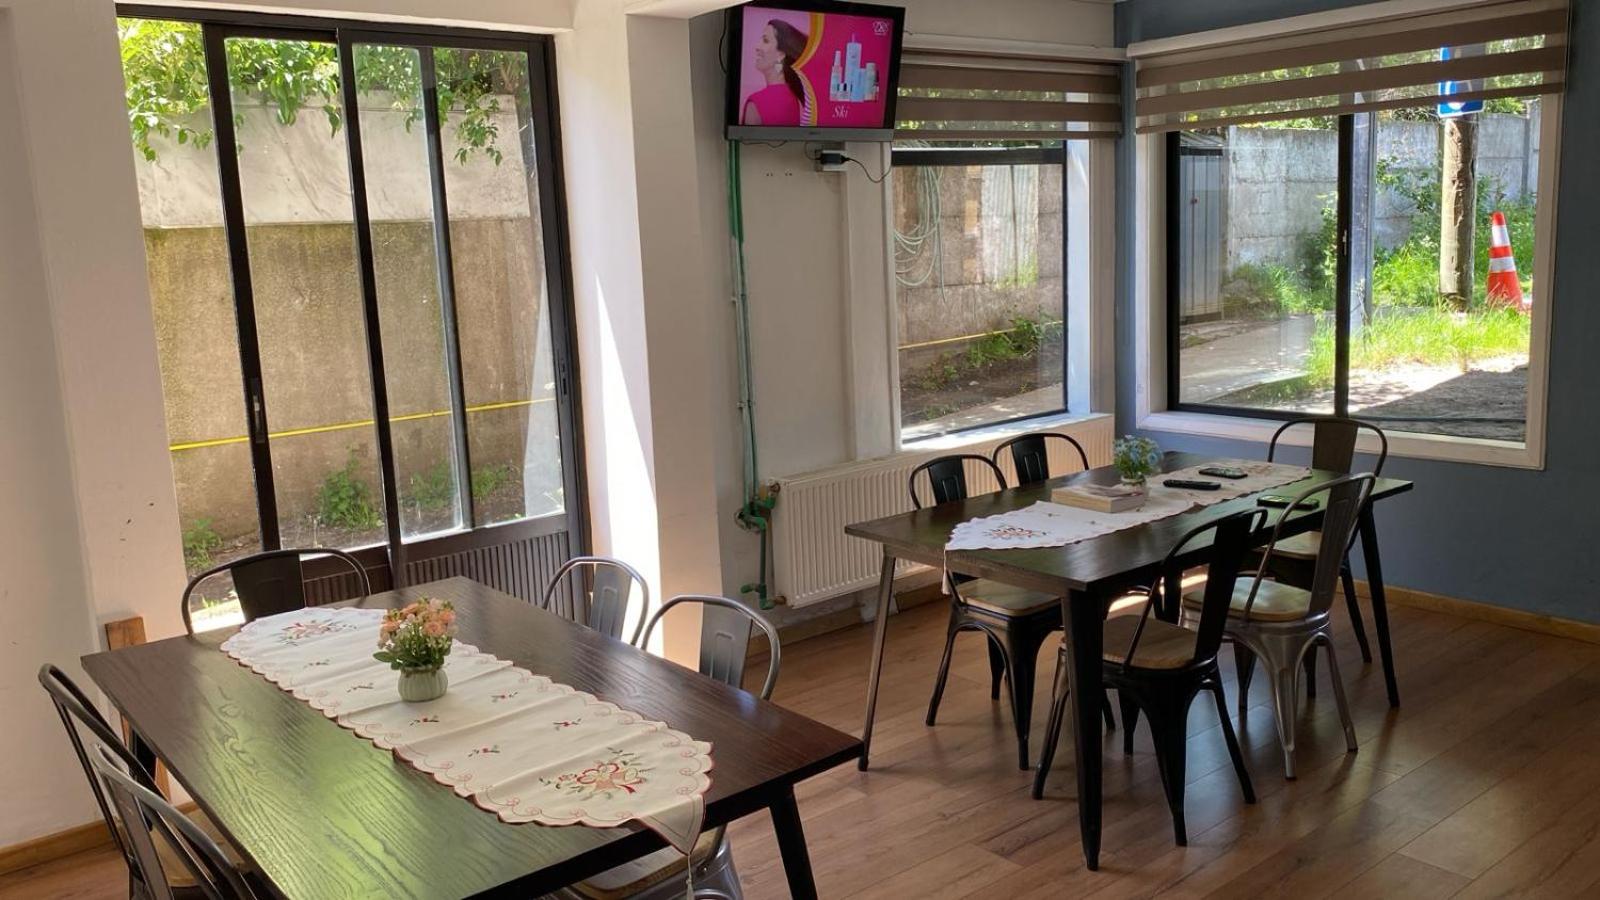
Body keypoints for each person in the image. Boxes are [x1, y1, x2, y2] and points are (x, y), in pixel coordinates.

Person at [741, 20, 807, 126]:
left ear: (781, 54)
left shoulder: (756, 103)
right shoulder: (795, 100)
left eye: (765, 40)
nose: (757, 47)